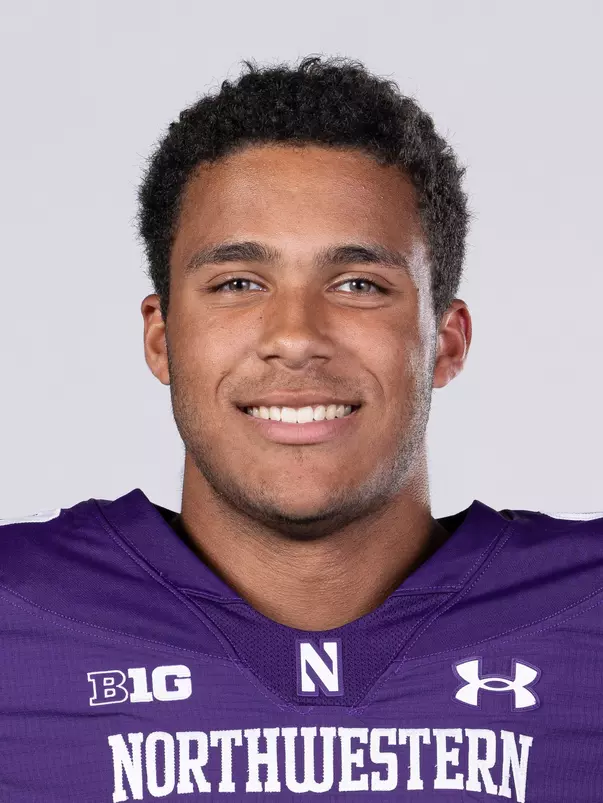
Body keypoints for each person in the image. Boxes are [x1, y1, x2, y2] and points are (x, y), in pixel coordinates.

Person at [0, 56, 601, 803]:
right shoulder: (17, 619)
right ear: (162, 339)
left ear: (445, 340)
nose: (294, 335)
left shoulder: (584, 615)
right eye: (237, 284)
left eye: (357, 284)